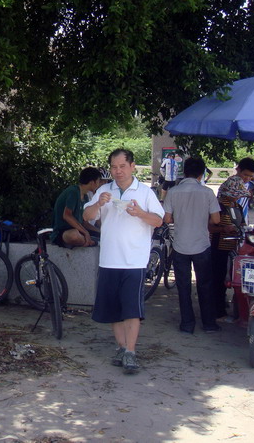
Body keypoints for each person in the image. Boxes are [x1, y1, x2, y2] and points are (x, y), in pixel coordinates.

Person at [83, 149, 164, 374]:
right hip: (109, 259)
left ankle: (131, 351)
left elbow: (159, 220)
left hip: (134, 261)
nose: (118, 171)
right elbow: (87, 216)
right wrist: (98, 204)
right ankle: (120, 347)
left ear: (132, 166)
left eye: (122, 166)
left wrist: (140, 213)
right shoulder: (104, 190)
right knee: (114, 309)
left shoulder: (145, 192)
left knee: (131, 309)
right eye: (114, 167)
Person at [163, 157, 222, 334]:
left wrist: (180, 217)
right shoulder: (207, 192)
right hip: (201, 245)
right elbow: (216, 219)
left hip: (180, 245)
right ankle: (209, 323)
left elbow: (167, 218)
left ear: (184, 171)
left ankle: (187, 324)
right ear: (201, 174)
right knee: (205, 285)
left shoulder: (173, 192)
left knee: (183, 286)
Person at [210, 157, 254, 319]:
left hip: (232, 249)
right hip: (218, 247)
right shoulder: (219, 206)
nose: (237, 197)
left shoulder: (236, 206)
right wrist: (224, 228)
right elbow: (210, 227)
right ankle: (217, 310)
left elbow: (241, 223)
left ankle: (223, 305)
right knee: (218, 279)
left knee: (229, 278)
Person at [50, 167, 102, 248]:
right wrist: (85, 232)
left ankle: (90, 241)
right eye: (98, 181)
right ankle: (92, 241)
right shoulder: (73, 191)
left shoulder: (85, 197)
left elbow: (84, 223)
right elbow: (67, 215)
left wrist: (100, 232)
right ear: (92, 182)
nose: (99, 184)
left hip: (79, 230)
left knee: (102, 235)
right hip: (62, 232)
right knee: (74, 235)